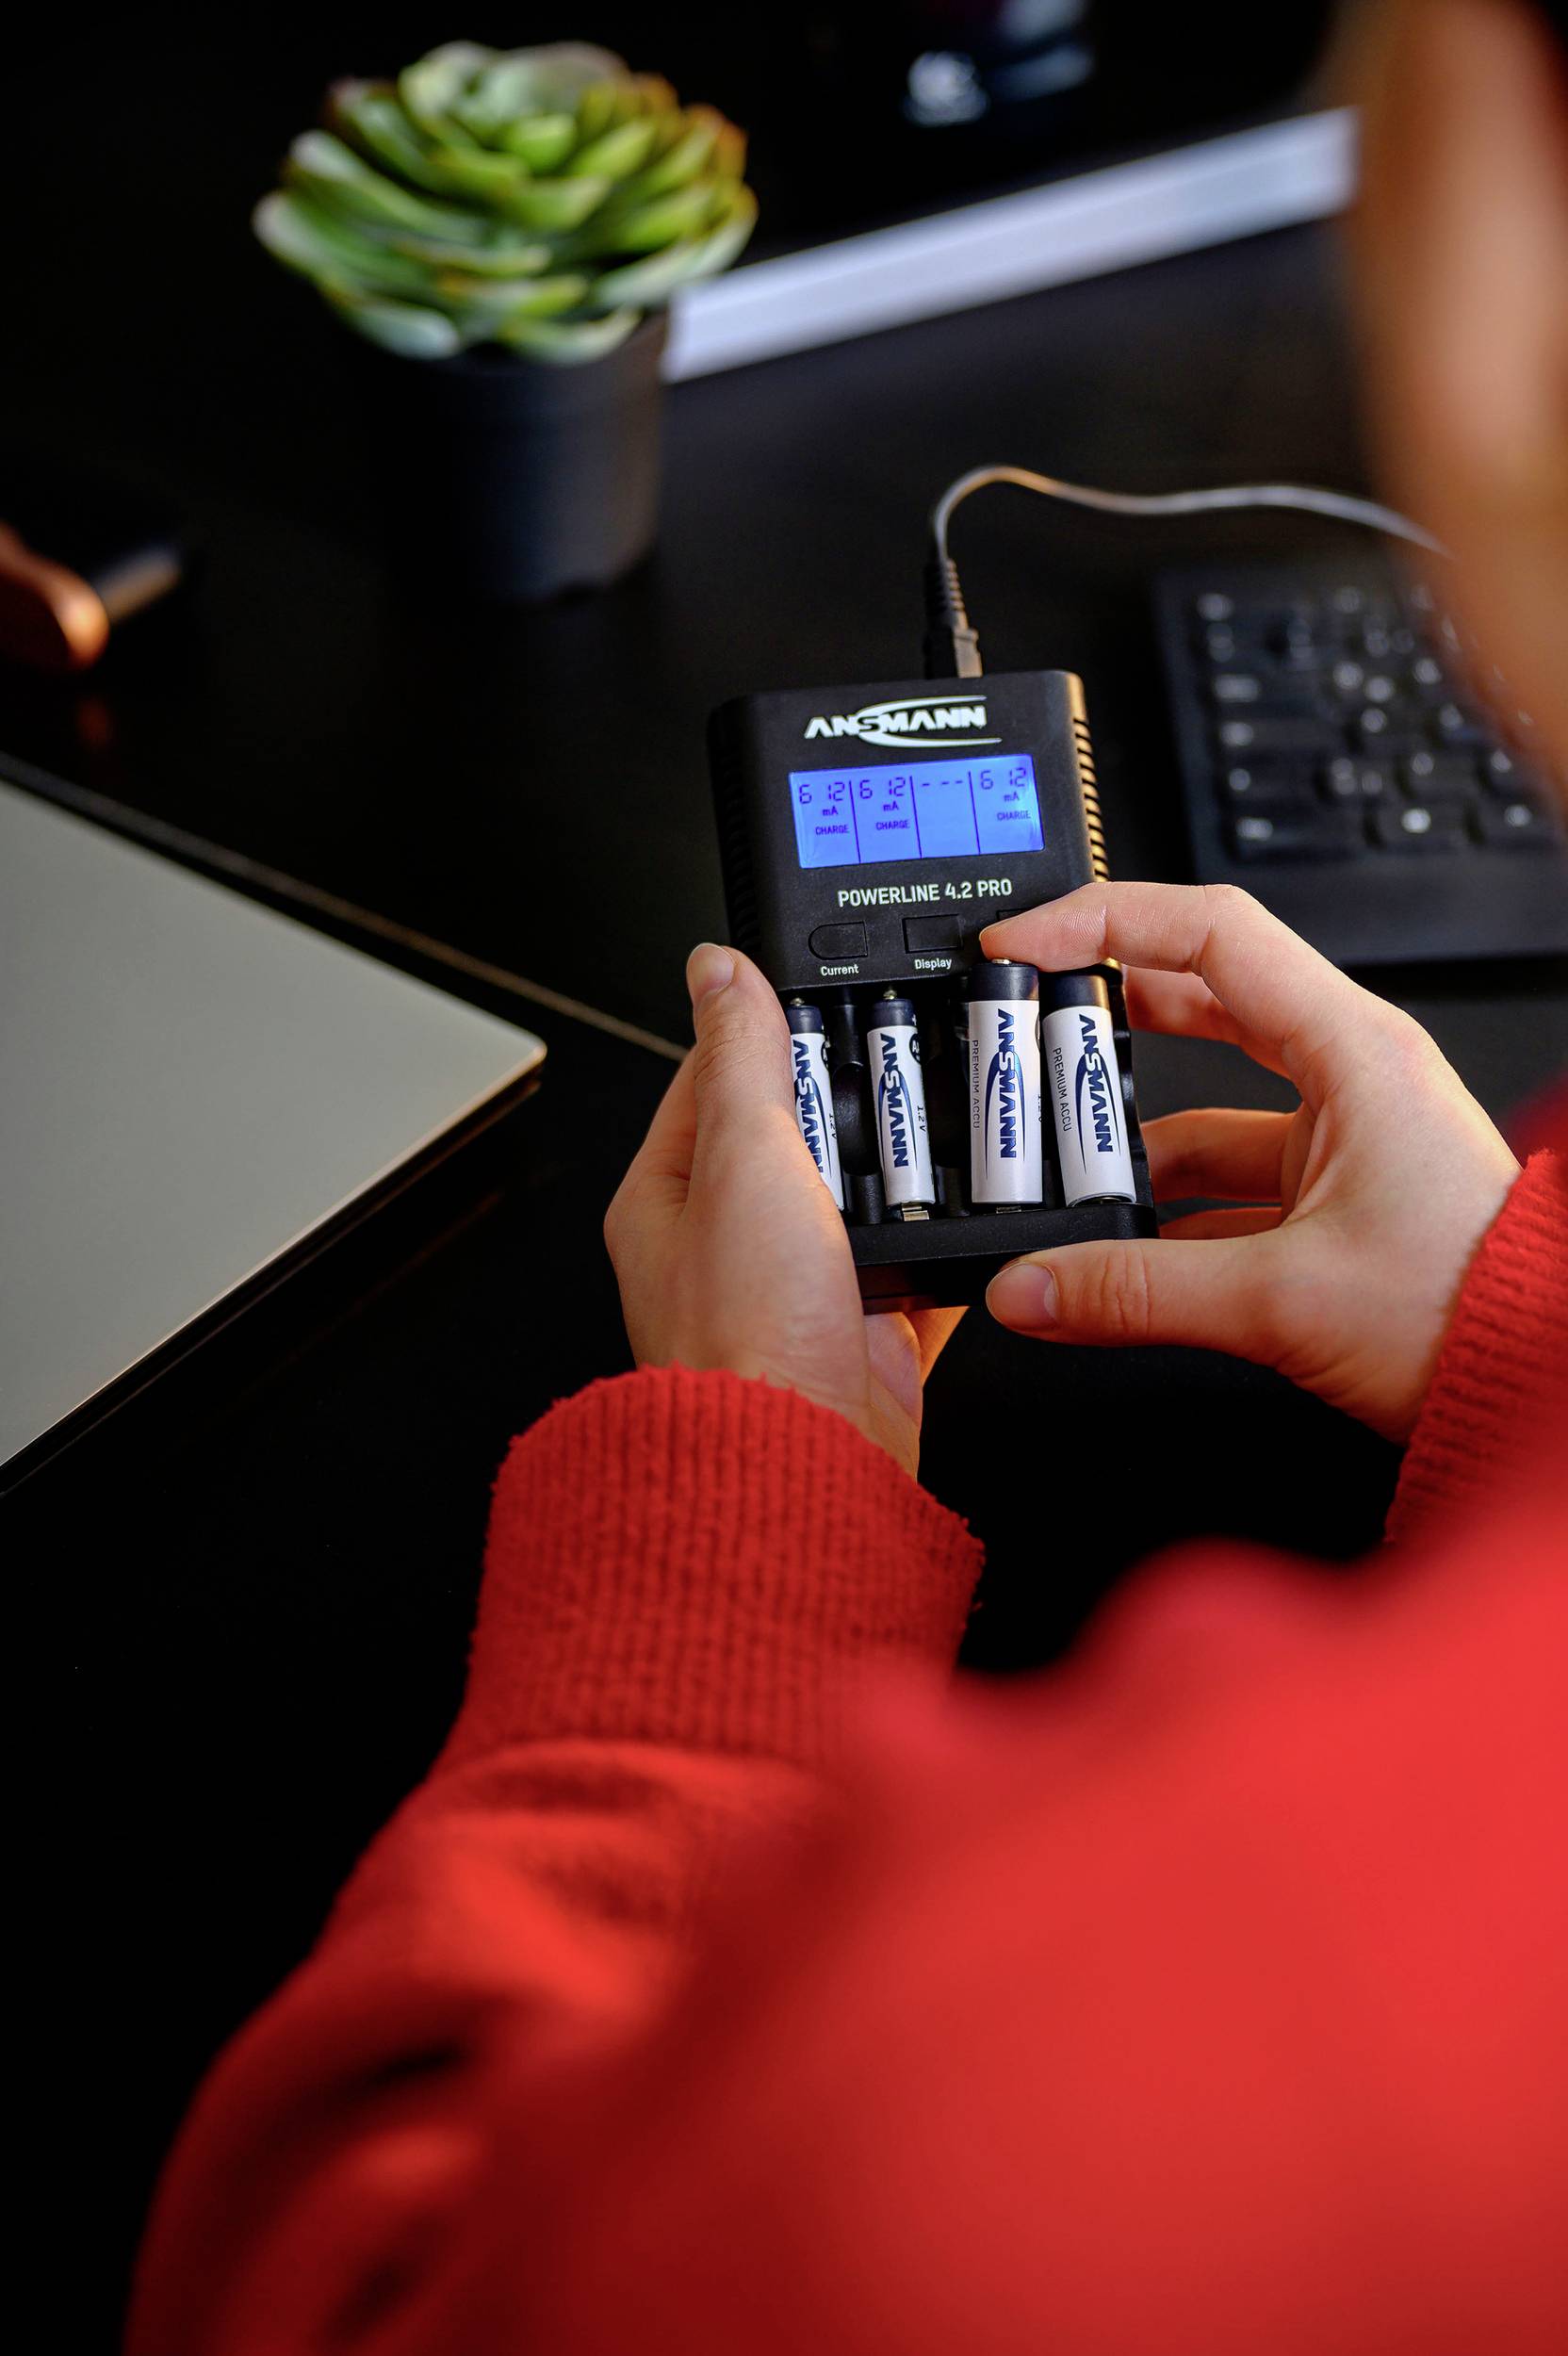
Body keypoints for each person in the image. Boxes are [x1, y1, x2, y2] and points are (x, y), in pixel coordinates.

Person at [128, 4, 1568, 2350]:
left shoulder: (1113, 2054)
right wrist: (1524, 1317)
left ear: (1492, 196)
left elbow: (365, 2289)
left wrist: (742, 1527)